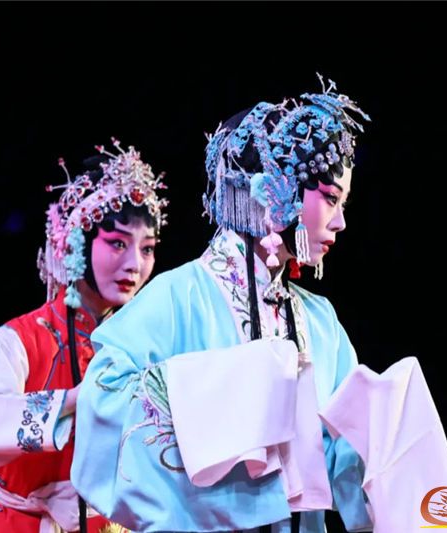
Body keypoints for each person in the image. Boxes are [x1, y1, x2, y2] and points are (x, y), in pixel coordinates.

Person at [72, 75, 376, 533]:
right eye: (331, 199)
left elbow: (347, 454)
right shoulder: (176, 297)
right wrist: (235, 385)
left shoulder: (320, 322)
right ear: (273, 192)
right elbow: (103, 400)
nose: (341, 222)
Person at [0, 139, 169, 532]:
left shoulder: (143, 344)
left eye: (147, 249)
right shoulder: (22, 340)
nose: (135, 264)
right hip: (24, 523)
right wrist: (69, 402)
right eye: (117, 243)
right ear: (78, 246)